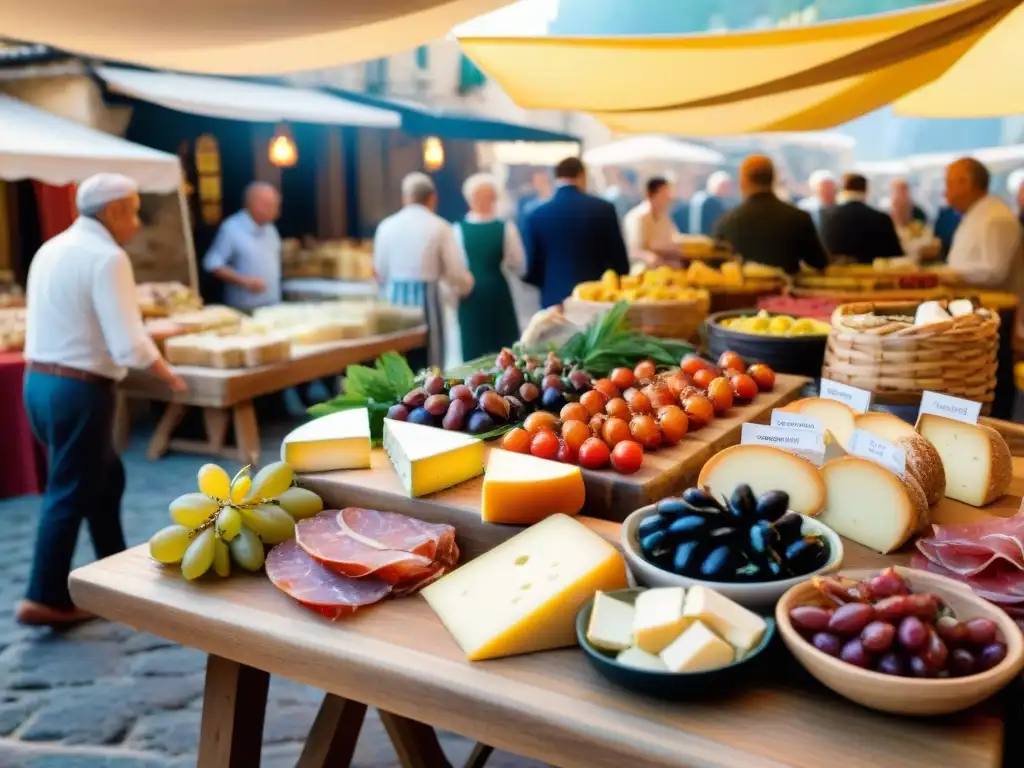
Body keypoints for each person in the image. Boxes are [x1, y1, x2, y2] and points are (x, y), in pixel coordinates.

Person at [20, 173, 186, 626]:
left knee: (105, 478)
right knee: (70, 489)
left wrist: (147, 336)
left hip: (39, 383)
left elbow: (86, 323)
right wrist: (166, 370)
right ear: (113, 211)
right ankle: (44, 595)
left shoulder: (51, 247)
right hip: (79, 390)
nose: (136, 219)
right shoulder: (108, 256)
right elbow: (127, 347)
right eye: (133, 209)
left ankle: (112, 572)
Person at [945, 157, 1024, 419]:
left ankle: (998, 434)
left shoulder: (995, 217)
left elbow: (994, 271)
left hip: (995, 314)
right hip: (978, 312)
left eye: (949, 182)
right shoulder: (980, 213)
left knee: (993, 386)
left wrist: (946, 275)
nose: (946, 190)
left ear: (965, 183)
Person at [374, 172, 474, 369]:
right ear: (432, 198)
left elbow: (379, 271)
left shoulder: (386, 226)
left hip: (394, 301)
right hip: (428, 300)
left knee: (397, 363)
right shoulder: (440, 226)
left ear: (405, 197)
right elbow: (455, 272)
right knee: (430, 365)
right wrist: (466, 287)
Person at [524, 157, 629, 308]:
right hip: (596, 295)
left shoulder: (536, 213)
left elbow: (532, 265)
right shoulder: (603, 209)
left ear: (556, 177)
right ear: (582, 175)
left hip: (553, 296)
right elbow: (619, 259)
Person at [450, 173, 526, 364]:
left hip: (479, 292)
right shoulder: (504, 228)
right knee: (482, 345)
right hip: (484, 290)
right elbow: (518, 263)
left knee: (493, 347)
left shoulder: (459, 229)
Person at [713, 155, 829, 274]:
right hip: (785, 290)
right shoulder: (798, 217)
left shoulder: (726, 223)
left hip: (741, 291)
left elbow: (716, 267)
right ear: (773, 179)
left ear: (743, 182)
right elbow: (819, 262)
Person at [203, 182, 282, 311]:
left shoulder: (271, 229)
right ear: (255, 204)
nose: (276, 212)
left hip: (273, 306)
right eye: (271, 206)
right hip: (244, 309)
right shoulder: (232, 228)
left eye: (276, 206)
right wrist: (244, 281)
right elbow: (212, 263)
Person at [821, 174, 904, 264]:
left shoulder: (824, 216)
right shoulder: (881, 219)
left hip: (833, 275)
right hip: (871, 275)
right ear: (866, 190)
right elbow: (896, 255)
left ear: (842, 189)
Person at [623, 177, 680, 268]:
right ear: (651, 195)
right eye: (664, 194)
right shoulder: (638, 217)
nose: (669, 198)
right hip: (641, 269)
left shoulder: (664, 217)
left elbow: (672, 243)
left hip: (664, 267)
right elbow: (632, 250)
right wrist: (648, 256)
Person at [688, 171, 732, 236]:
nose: (728, 189)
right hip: (709, 239)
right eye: (725, 186)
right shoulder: (714, 202)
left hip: (695, 237)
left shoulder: (698, 197)